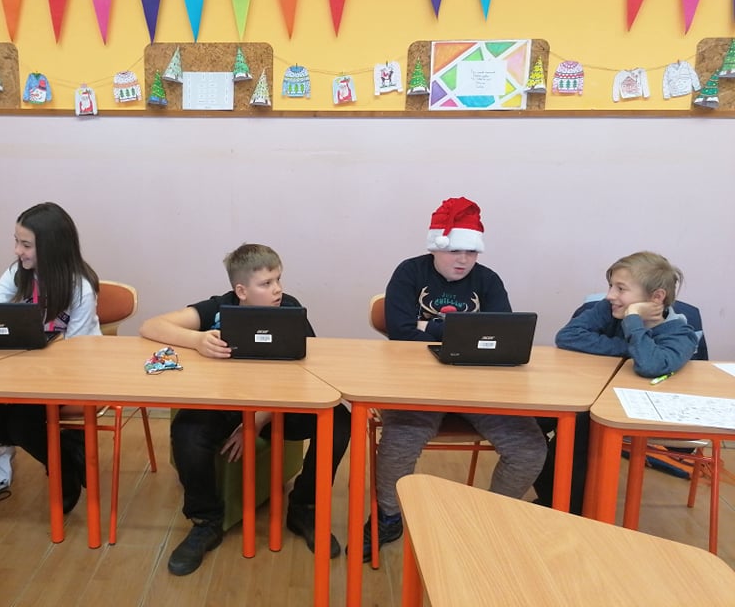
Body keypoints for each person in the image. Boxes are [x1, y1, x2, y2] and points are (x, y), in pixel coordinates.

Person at [139, 243, 352, 577]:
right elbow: (151, 326)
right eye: (266, 283)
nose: (277, 289)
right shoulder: (217, 307)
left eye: (278, 279)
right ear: (241, 290)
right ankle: (206, 521)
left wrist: (255, 422)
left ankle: (303, 507)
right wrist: (197, 340)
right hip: (226, 403)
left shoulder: (290, 309)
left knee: (338, 420)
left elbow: (306, 373)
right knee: (187, 431)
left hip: (277, 407)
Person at [363, 197, 547, 562]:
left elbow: (501, 336)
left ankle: (494, 515)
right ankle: (389, 515)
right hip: (416, 382)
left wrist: (427, 326)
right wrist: (463, 332)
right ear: (436, 247)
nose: (463, 260)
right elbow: (400, 334)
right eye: (455, 251)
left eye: (471, 252)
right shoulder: (409, 273)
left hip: (479, 384)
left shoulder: (488, 280)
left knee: (529, 448)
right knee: (399, 442)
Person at [533, 251, 699, 513]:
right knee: (531, 423)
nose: (610, 295)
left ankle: (567, 509)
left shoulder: (680, 333)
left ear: (656, 297)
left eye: (620, 289)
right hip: (586, 399)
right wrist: (628, 349)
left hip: (632, 413)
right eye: (611, 286)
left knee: (578, 433)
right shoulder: (608, 310)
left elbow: (650, 365)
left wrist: (634, 320)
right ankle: (553, 500)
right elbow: (567, 336)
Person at [0, 202, 101, 515]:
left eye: (26, 245)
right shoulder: (18, 273)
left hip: (70, 375)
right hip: (22, 373)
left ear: (52, 247)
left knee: (22, 426)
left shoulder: (80, 288)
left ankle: (62, 470)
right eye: (16, 242)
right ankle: (67, 450)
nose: (18, 251)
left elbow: (76, 351)